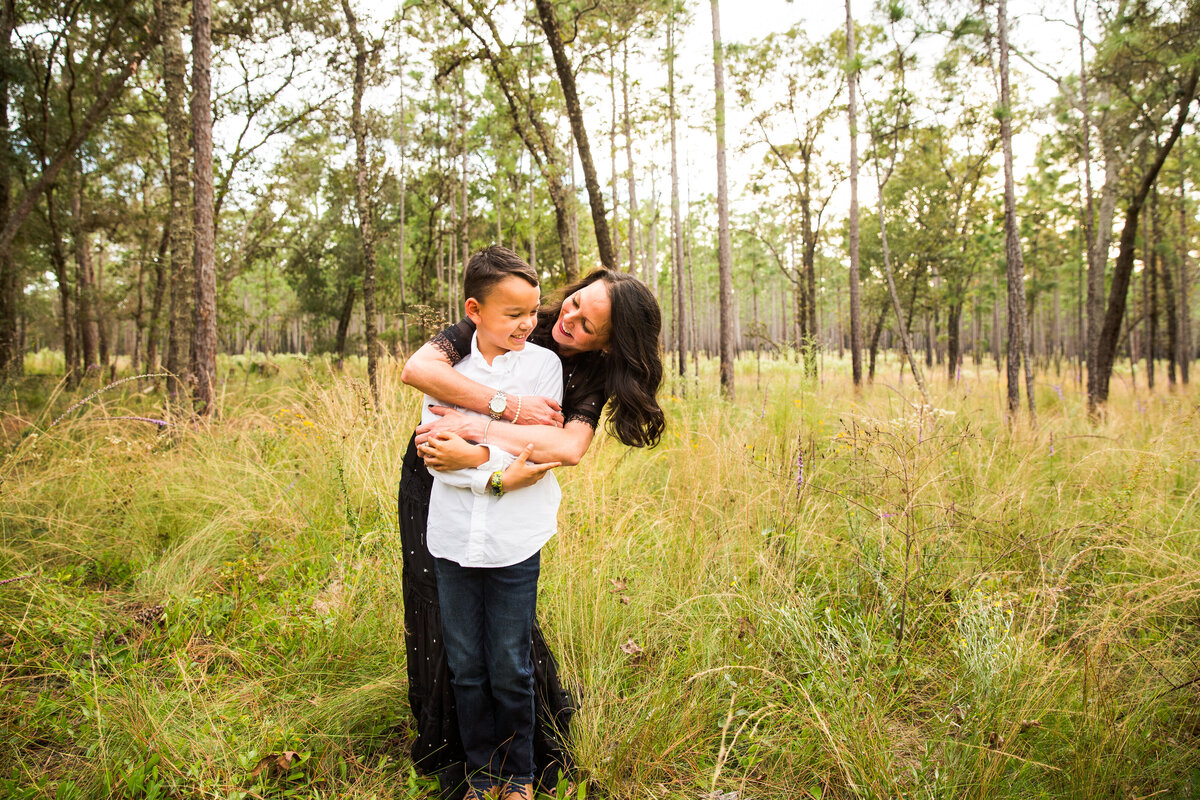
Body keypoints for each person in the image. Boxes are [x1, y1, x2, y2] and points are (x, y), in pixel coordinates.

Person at [398, 250, 664, 800]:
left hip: (507, 503)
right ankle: (458, 749)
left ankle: (520, 762)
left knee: (508, 652)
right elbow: (422, 374)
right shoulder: (512, 310)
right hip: (439, 483)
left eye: (586, 324)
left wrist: (478, 444)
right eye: (573, 303)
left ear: (608, 343)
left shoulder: (579, 373)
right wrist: (506, 410)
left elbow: (565, 446)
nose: (563, 320)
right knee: (446, 630)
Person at [421, 247, 564, 800]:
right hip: (453, 538)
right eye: (513, 314)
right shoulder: (447, 372)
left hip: (514, 541)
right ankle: (482, 774)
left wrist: (476, 454)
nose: (528, 324)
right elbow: (437, 453)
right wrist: (495, 466)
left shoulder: (543, 367)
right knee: (465, 665)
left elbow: (540, 451)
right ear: (474, 310)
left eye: (533, 311)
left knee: (509, 664)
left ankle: (519, 776)